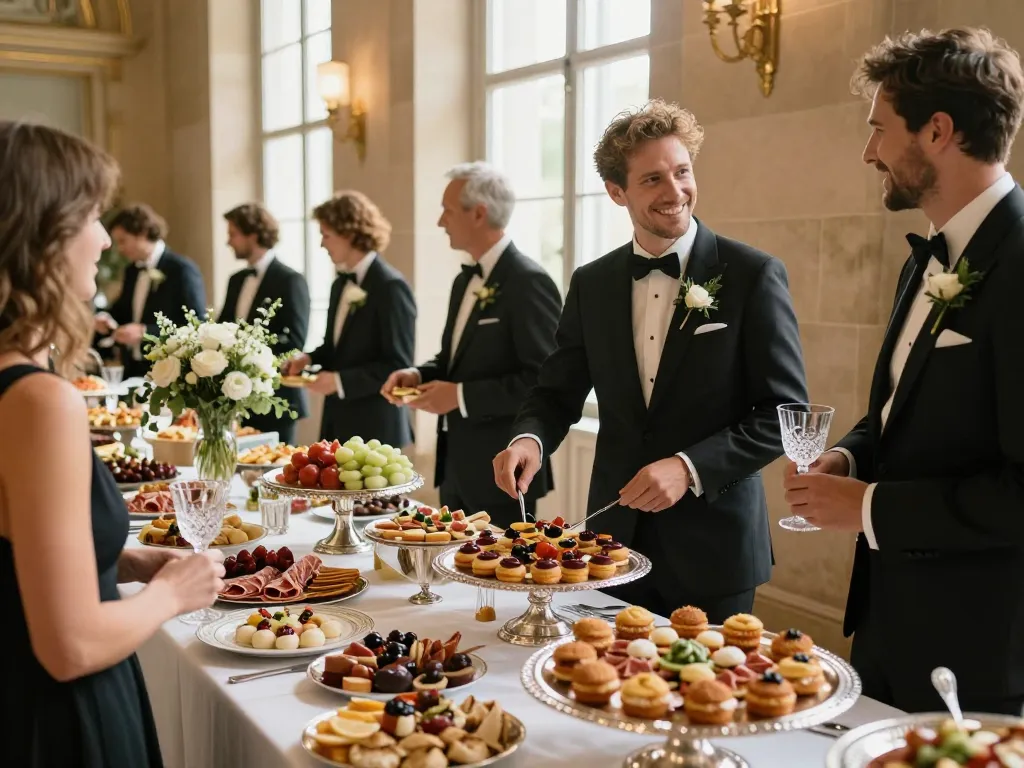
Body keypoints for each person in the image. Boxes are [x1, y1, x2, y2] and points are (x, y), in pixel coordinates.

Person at [783, 28, 1024, 714]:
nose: (869, 152)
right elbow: (902, 412)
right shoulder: (924, 259)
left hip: (979, 646)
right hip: (888, 622)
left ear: (939, 132)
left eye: (879, 130)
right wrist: (848, 455)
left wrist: (867, 507)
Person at [494, 100, 808, 621]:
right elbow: (556, 391)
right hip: (613, 545)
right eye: (652, 180)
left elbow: (783, 413)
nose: (674, 192)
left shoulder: (754, 274)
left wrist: (690, 468)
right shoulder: (591, 284)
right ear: (617, 192)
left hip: (716, 549)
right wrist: (528, 438)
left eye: (682, 172)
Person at [0, 122, 225, 765]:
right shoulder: (39, 401)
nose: (104, 238)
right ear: (42, 233)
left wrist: (123, 564)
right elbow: (69, 644)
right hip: (61, 719)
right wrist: (172, 594)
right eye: (92, 216)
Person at [382, 163, 561, 528]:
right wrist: (417, 374)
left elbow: (542, 382)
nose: (439, 221)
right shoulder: (464, 281)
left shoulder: (528, 281)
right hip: (456, 466)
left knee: (500, 577)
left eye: (447, 210)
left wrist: (461, 397)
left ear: (479, 213)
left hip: (506, 469)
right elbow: (453, 362)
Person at [283, 191, 415, 448]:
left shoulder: (391, 287)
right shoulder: (339, 284)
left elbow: (397, 364)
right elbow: (335, 349)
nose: (322, 244)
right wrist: (308, 358)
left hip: (377, 428)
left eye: (326, 235)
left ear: (350, 234)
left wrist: (339, 381)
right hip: (338, 421)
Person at [218, 203, 310, 444]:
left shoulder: (291, 280)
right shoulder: (236, 280)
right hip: (236, 395)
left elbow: (295, 341)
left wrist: (247, 349)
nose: (229, 242)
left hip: (276, 396)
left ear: (254, 235)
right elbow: (221, 329)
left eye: (233, 234)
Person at [94, 202, 206, 378]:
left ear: (143, 233)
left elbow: (197, 326)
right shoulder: (132, 271)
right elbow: (124, 313)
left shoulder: (182, 270)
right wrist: (106, 318)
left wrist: (145, 332)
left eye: (123, 241)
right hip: (134, 370)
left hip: (170, 371)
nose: (120, 249)